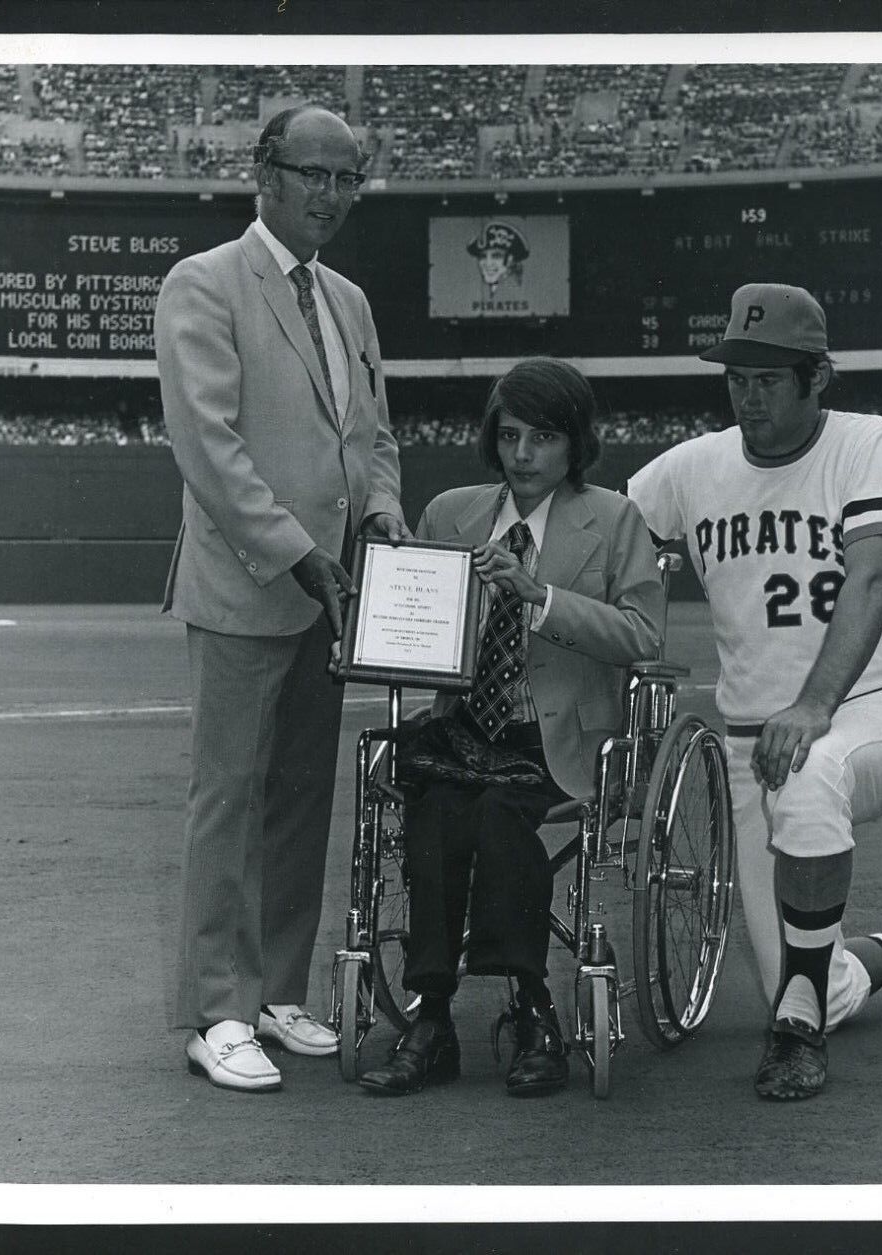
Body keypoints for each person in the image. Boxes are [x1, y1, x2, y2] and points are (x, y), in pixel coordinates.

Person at [627, 284, 882, 1102]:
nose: (749, 393)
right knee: (816, 977)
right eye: (738, 375)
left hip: (862, 714)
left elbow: (872, 578)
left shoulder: (865, 442)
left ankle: (796, 1038)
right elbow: (607, 538)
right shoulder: (692, 467)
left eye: (770, 377)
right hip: (746, 744)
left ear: (818, 377)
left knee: (806, 783)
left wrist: (811, 706)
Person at [156, 104, 411, 1093]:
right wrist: (302, 551)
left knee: (303, 794)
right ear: (264, 173)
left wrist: (382, 516)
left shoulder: (348, 299)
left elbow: (372, 438)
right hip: (250, 585)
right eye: (316, 174)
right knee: (227, 797)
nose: (333, 195)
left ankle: (274, 989)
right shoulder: (205, 283)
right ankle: (214, 1010)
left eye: (349, 178)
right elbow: (208, 448)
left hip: (333, 591)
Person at [356, 358, 663, 1099]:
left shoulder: (614, 519)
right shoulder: (451, 513)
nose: (523, 454)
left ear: (574, 445)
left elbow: (644, 633)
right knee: (432, 812)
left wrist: (541, 596)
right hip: (464, 728)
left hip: (555, 740)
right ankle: (432, 1018)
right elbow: (418, 628)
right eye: (511, 435)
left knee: (497, 818)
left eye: (544, 438)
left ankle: (531, 1005)